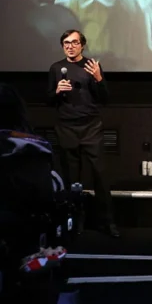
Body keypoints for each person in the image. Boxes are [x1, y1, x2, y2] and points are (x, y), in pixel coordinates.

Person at [47, 29, 118, 238]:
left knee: (100, 176)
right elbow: (48, 100)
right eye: (66, 43)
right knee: (72, 179)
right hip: (67, 128)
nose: (70, 46)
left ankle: (107, 222)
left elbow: (105, 99)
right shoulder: (56, 68)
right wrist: (57, 91)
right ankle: (75, 222)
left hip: (91, 128)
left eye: (74, 42)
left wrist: (98, 78)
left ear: (82, 45)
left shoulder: (91, 66)